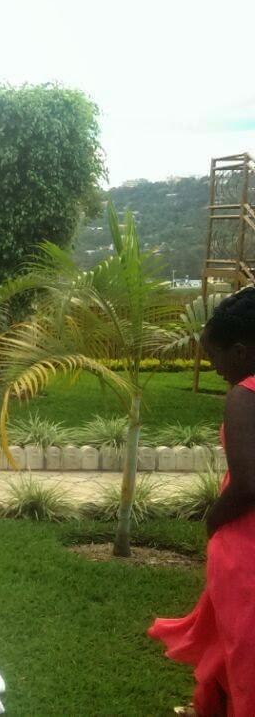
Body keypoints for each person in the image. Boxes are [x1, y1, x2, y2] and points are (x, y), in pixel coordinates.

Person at [149, 287, 255, 716]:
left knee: (243, 653)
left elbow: (248, 483)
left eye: (214, 356)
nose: (213, 367)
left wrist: (214, 519)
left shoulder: (246, 393)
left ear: (241, 351)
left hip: (246, 548)